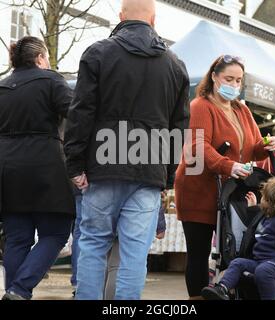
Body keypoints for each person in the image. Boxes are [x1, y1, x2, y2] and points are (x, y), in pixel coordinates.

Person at [63, 0, 189, 300]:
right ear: (154, 20)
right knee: (135, 252)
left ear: (120, 18)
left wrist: (75, 165)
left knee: (93, 242)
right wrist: (168, 176)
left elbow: (81, 112)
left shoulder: (98, 53)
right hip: (149, 167)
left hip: (103, 165)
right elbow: (179, 127)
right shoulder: (175, 65)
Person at [174, 54, 275, 299]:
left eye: (238, 80)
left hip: (230, 194)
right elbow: (199, 146)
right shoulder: (200, 106)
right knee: (198, 253)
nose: (234, 85)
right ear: (214, 77)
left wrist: (266, 145)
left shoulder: (241, 109)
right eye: (228, 78)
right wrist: (227, 165)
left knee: (233, 251)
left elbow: (252, 145)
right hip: (198, 190)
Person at [0, 36, 75, 300]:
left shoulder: (2, 87)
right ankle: (18, 290)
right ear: (40, 58)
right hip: (45, 167)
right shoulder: (51, 80)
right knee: (55, 232)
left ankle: (14, 292)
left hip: (7, 170)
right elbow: (76, 114)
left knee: (17, 238)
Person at [201, 178, 275, 300]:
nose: (261, 199)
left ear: (273, 201)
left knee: (263, 270)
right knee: (237, 263)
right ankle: (221, 289)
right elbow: (253, 226)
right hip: (258, 261)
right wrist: (253, 208)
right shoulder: (264, 217)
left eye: (264, 197)